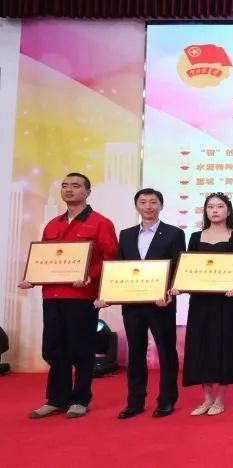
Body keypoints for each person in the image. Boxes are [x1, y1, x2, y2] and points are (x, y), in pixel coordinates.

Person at [23, 173, 118, 419]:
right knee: (53, 349)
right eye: (65, 185)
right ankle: (56, 399)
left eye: (75, 186)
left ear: (88, 192)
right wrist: (32, 277)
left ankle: (79, 399)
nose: (69, 190)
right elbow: (44, 259)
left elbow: (111, 258)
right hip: (52, 295)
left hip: (81, 296)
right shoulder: (52, 224)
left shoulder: (100, 222)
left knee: (81, 349)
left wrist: (89, 275)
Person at [97, 188, 185, 419]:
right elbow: (119, 267)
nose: (148, 206)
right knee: (135, 353)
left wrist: (169, 291)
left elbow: (178, 266)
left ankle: (166, 400)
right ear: (136, 206)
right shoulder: (126, 235)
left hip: (161, 303)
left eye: (153, 202)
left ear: (161, 206)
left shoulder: (174, 233)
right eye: (143, 202)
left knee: (166, 351)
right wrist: (108, 294)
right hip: (133, 304)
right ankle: (135, 401)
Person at [170, 192, 233, 416]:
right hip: (201, 301)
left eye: (219, 206)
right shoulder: (196, 237)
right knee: (200, 346)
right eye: (210, 207)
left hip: (226, 301)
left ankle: (220, 400)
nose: (215, 210)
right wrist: (180, 285)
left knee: (225, 346)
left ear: (228, 210)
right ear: (205, 211)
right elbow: (189, 268)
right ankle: (206, 398)